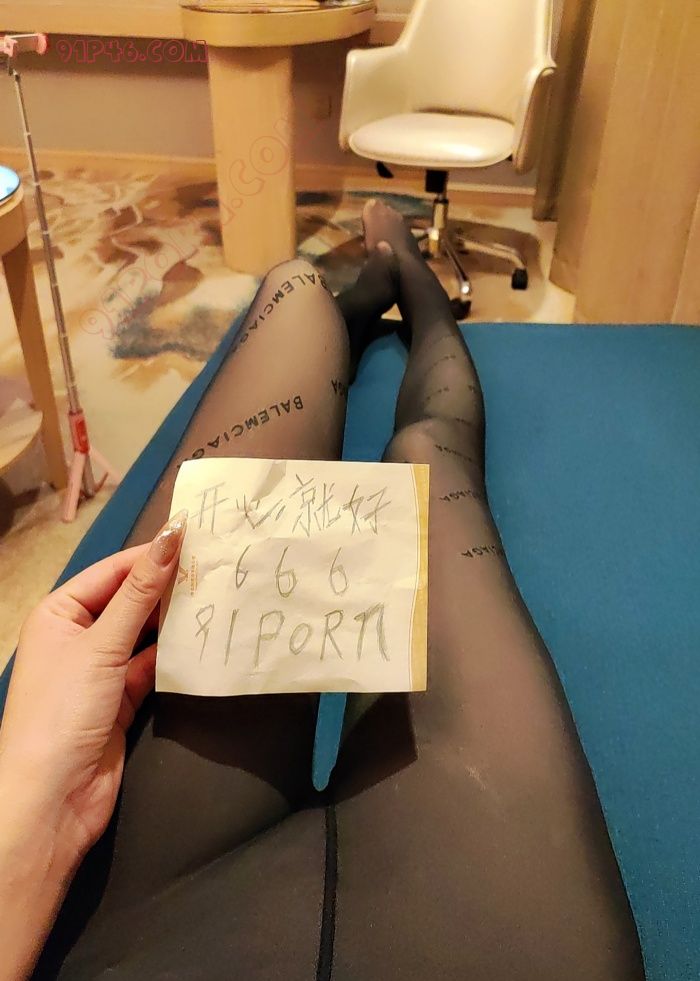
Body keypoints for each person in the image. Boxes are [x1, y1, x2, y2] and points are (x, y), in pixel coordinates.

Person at [0, 200, 645, 980]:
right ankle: (409, 280)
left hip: (117, 923)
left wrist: (22, 826)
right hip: (488, 931)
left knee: (296, 290)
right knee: (427, 449)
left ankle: (372, 289)